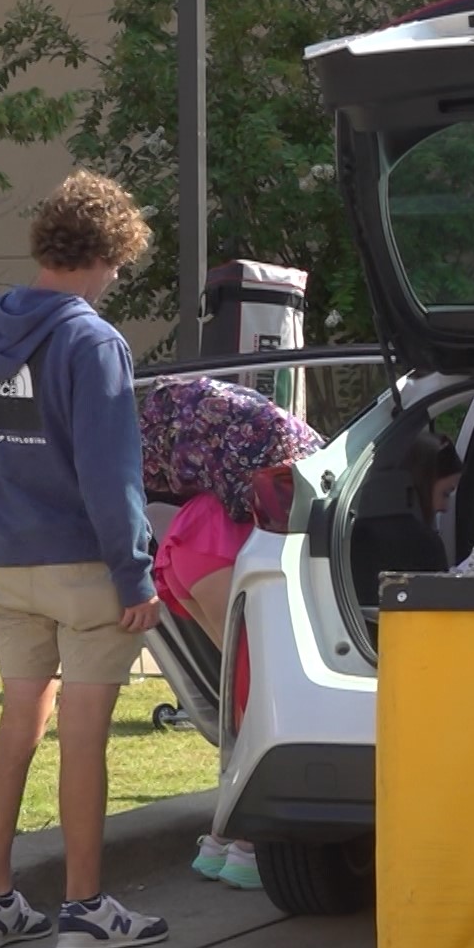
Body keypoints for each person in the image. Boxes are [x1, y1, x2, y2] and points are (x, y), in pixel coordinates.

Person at [0, 169, 167, 948]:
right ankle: (86, 909)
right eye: (118, 264)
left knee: (17, 729)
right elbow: (112, 475)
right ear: (105, 251)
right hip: (86, 567)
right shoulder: (92, 340)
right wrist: (136, 574)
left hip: (12, 564)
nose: (115, 280)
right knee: (83, 739)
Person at [142, 374, 326, 892]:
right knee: (255, 694)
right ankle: (246, 843)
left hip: (190, 542)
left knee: (239, 695)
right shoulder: (275, 454)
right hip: (222, 544)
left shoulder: (200, 470)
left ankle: (223, 837)